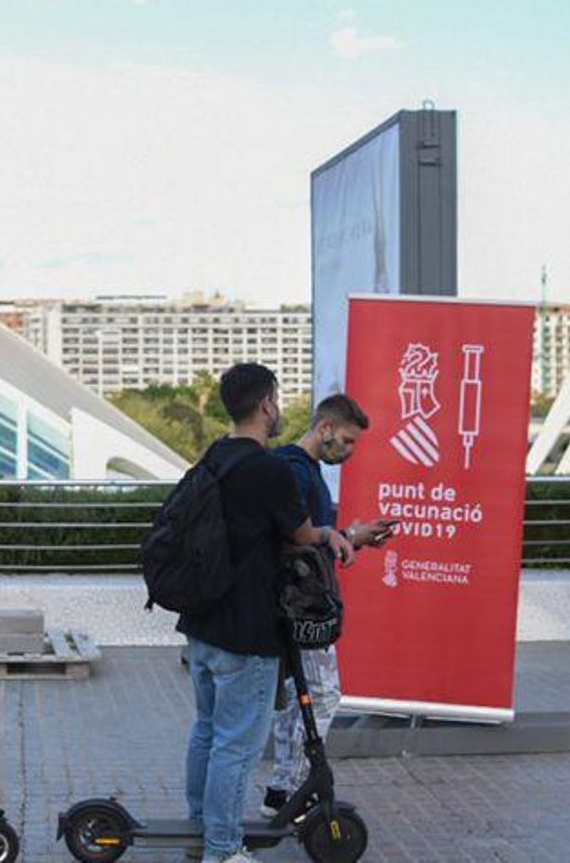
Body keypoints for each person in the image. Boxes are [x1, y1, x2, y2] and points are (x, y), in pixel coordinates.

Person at [179, 364, 355, 863]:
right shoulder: (270, 469)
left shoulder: (215, 457)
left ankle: (200, 828)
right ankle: (222, 849)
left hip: (202, 622)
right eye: (276, 400)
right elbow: (302, 534)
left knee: (207, 732)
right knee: (236, 747)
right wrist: (335, 534)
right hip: (247, 630)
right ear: (266, 405)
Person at [262, 394, 393, 819]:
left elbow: (312, 536)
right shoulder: (297, 471)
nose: (350, 451)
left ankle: (282, 791)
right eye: (348, 440)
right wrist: (342, 537)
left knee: (296, 696)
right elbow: (295, 539)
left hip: (293, 605)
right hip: (302, 606)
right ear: (325, 429)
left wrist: (351, 536)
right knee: (322, 694)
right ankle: (299, 790)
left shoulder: (300, 470)